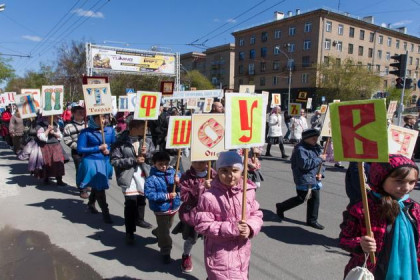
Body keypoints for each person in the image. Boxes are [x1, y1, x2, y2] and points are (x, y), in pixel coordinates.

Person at [339, 154, 420, 279]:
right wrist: (360, 244)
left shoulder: (414, 208)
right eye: (399, 181)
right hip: (372, 272)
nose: (406, 187)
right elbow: (345, 239)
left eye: (412, 182)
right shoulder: (363, 208)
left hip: (407, 271)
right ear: (380, 178)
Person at [195, 151, 263, 280]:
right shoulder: (209, 197)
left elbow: (256, 213)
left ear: (242, 171)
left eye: (235, 170)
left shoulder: (248, 192)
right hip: (220, 254)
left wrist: (250, 227)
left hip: (242, 252)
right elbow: (202, 225)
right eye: (224, 171)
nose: (230, 175)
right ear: (218, 172)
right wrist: (232, 228)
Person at [110, 119, 155, 245]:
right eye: (142, 128)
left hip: (143, 174)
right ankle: (129, 232)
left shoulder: (147, 140)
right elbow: (114, 161)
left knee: (141, 199)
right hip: (128, 175)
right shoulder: (120, 142)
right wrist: (133, 160)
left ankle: (139, 219)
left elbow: (154, 156)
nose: (145, 130)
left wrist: (148, 154)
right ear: (133, 128)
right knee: (130, 202)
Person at [275, 128, 326, 230]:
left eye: (316, 138)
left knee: (315, 200)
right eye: (313, 138)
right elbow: (305, 164)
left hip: (315, 178)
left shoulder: (316, 148)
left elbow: (321, 164)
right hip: (304, 178)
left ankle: (312, 220)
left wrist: (321, 173)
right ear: (306, 138)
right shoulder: (300, 149)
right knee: (301, 198)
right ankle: (281, 206)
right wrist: (320, 158)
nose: (315, 140)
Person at [177, 161, 216, 273]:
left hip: (211, 215)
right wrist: (201, 186)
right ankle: (186, 255)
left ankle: (213, 261)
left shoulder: (214, 174)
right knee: (191, 239)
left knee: (210, 240)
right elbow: (184, 196)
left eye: (202, 162)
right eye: (196, 161)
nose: (199, 164)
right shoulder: (186, 176)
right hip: (193, 215)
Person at [77, 115, 116, 224]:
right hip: (91, 160)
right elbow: (80, 149)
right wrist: (98, 148)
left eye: (104, 118)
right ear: (93, 119)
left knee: (98, 183)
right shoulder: (86, 132)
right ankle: (105, 212)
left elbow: (115, 144)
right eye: (99, 118)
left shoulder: (110, 130)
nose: (102, 120)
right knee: (99, 185)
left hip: (106, 160)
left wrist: (110, 150)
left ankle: (91, 203)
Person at [145, 151, 181, 264]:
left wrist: (178, 183)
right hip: (161, 209)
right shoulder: (151, 179)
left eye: (166, 163)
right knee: (165, 232)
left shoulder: (174, 173)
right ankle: (166, 250)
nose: (164, 166)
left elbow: (181, 189)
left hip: (173, 206)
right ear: (154, 164)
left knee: (167, 226)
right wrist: (166, 196)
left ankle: (157, 232)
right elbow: (150, 194)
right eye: (160, 164)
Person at [63, 105, 86, 198]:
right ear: (73, 113)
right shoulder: (68, 126)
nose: (81, 114)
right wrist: (79, 147)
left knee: (88, 169)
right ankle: (82, 189)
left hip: (88, 152)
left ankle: (86, 183)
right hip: (77, 152)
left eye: (82, 112)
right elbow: (67, 140)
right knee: (80, 169)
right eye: (79, 112)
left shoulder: (88, 124)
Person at [36, 115, 66, 185]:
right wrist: (48, 130)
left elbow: (60, 136)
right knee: (47, 163)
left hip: (56, 145)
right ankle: (46, 178)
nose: (56, 117)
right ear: (47, 116)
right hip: (46, 146)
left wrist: (54, 133)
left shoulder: (55, 124)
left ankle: (59, 180)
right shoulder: (40, 125)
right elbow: (41, 137)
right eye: (54, 116)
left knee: (58, 162)